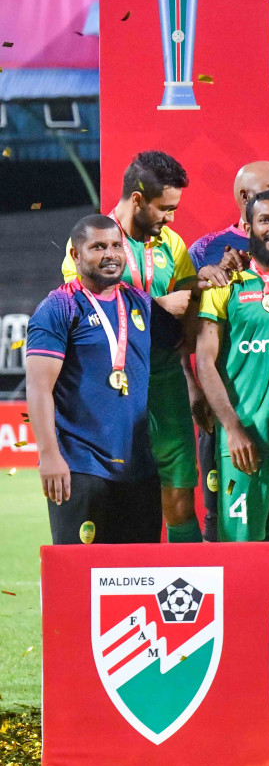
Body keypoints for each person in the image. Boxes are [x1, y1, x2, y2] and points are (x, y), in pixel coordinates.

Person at [60, 151, 202, 542]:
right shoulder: (94, 242)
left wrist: (196, 288)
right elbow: (88, 301)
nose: (170, 218)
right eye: (164, 208)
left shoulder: (172, 244)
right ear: (137, 200)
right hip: (111, 392)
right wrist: (159, 305)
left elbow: (188, 298)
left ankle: (185, 583)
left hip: (164, 382)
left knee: (178, 497)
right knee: (111, 496)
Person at [28, 215, 162, 543]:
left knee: (139, 580)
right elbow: (38, 386)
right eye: (98, 247)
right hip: (80, 466)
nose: (110, 254)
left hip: (138, 469)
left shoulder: (139, 303)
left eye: (116, 245)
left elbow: (185, 343)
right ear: (75, 256)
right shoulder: (59, 307)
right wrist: (49, 454)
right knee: (80, 579)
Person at [193, 191, 269, 541]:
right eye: (265, 220)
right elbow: (205, 361)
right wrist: (231, 428)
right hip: (242, 443)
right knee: (241, 555)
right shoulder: (224, 282)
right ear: (247, 226)